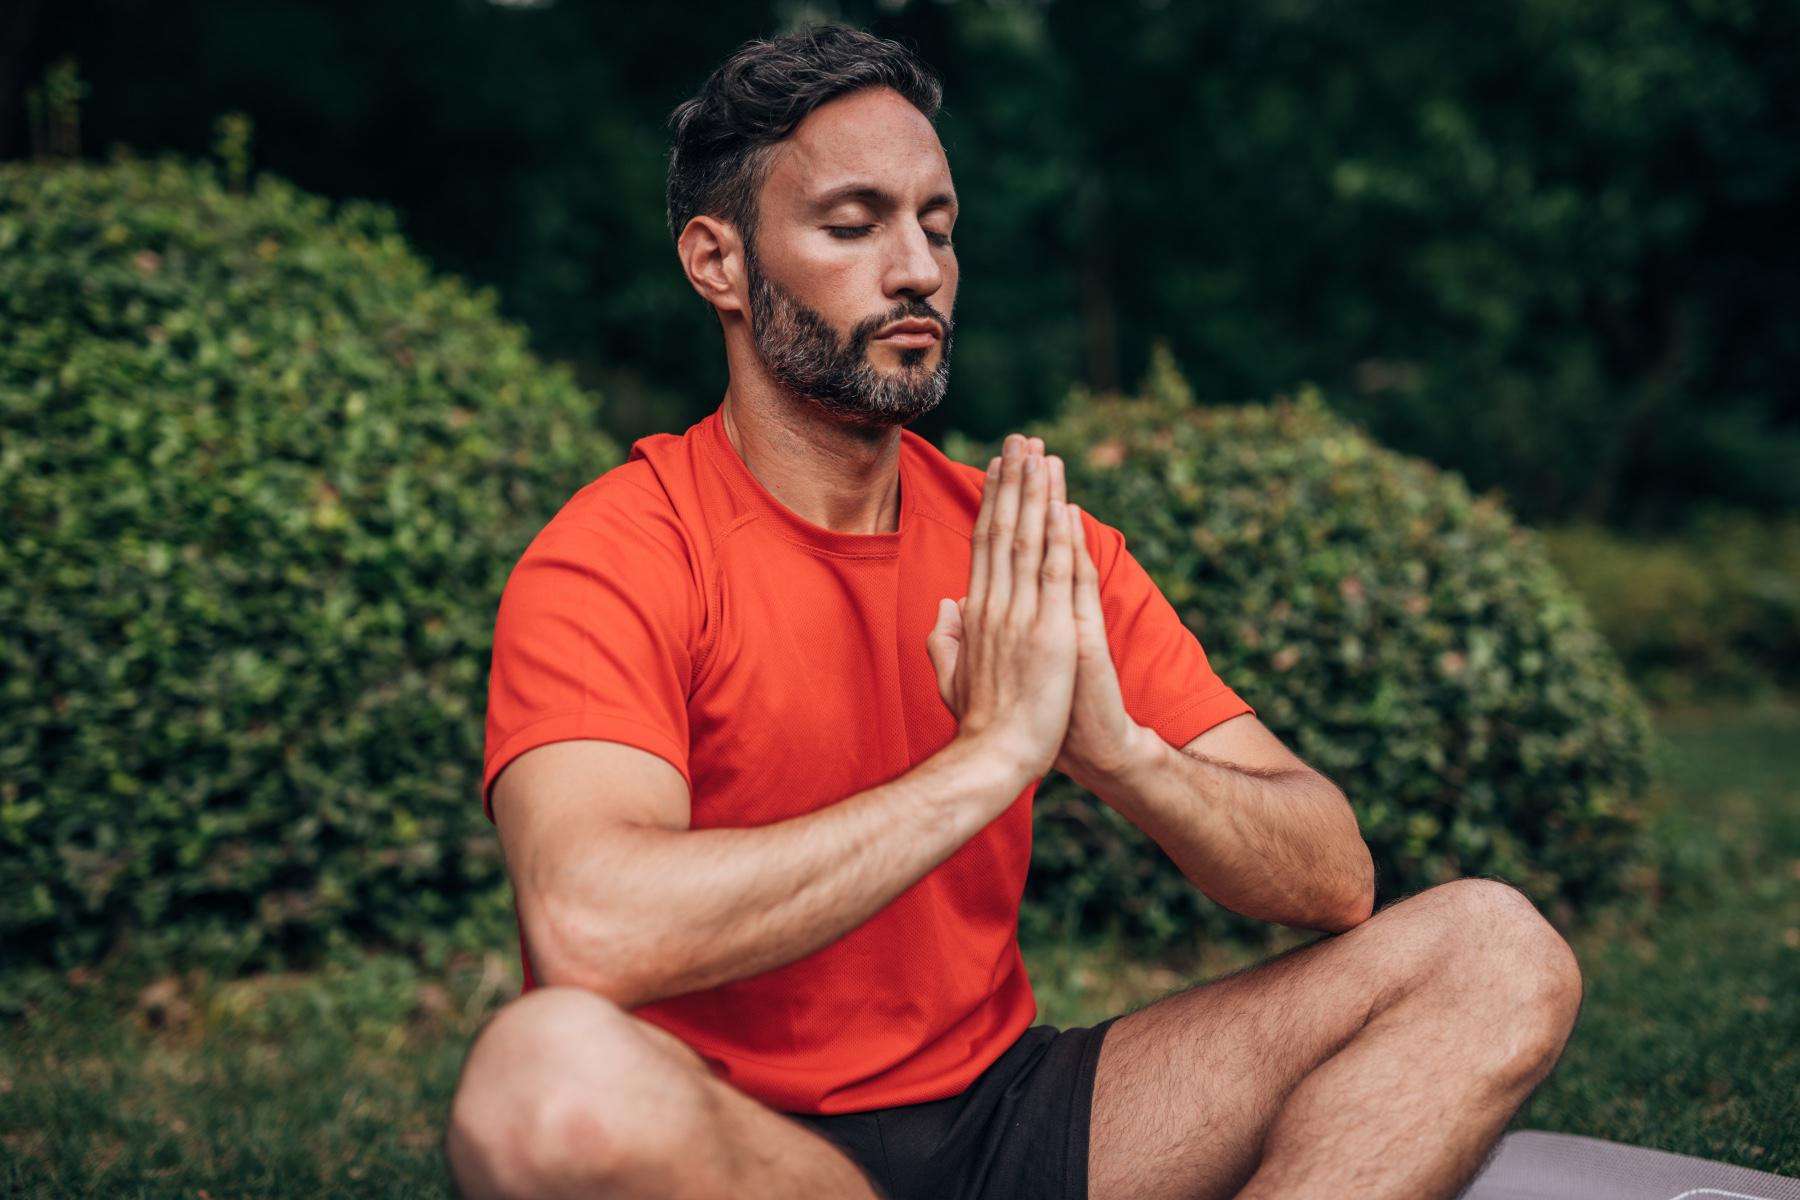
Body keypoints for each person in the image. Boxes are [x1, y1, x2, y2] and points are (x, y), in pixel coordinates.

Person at [443, 22, 1583, 1200]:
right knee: (544, 1078)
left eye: (937, 226)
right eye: (854, 225)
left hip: (1008, 1124)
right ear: (718, 263)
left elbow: (1334, 875)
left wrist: (1127, 758)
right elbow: (591, 927)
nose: (918, 270)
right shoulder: (619, 554)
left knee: (1492, 948)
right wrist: (990, 761)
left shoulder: (1030, 547)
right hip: (744, 1151)